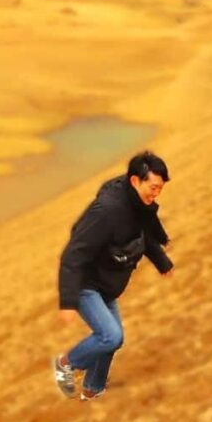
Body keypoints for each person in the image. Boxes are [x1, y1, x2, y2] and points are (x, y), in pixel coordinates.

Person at [53, 150, 174, 400]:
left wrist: (162, 261)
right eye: (153, 187)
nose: (156, 193)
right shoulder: (108, 211)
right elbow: (73, 253)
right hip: (87, 284)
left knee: (112, 340)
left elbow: (143, 236)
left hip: (108, 284)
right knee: (110, 336)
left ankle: (92, 390)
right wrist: (67, 301)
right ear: (134, 181)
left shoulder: (140, 205)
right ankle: (66, 363)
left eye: (160, 189)